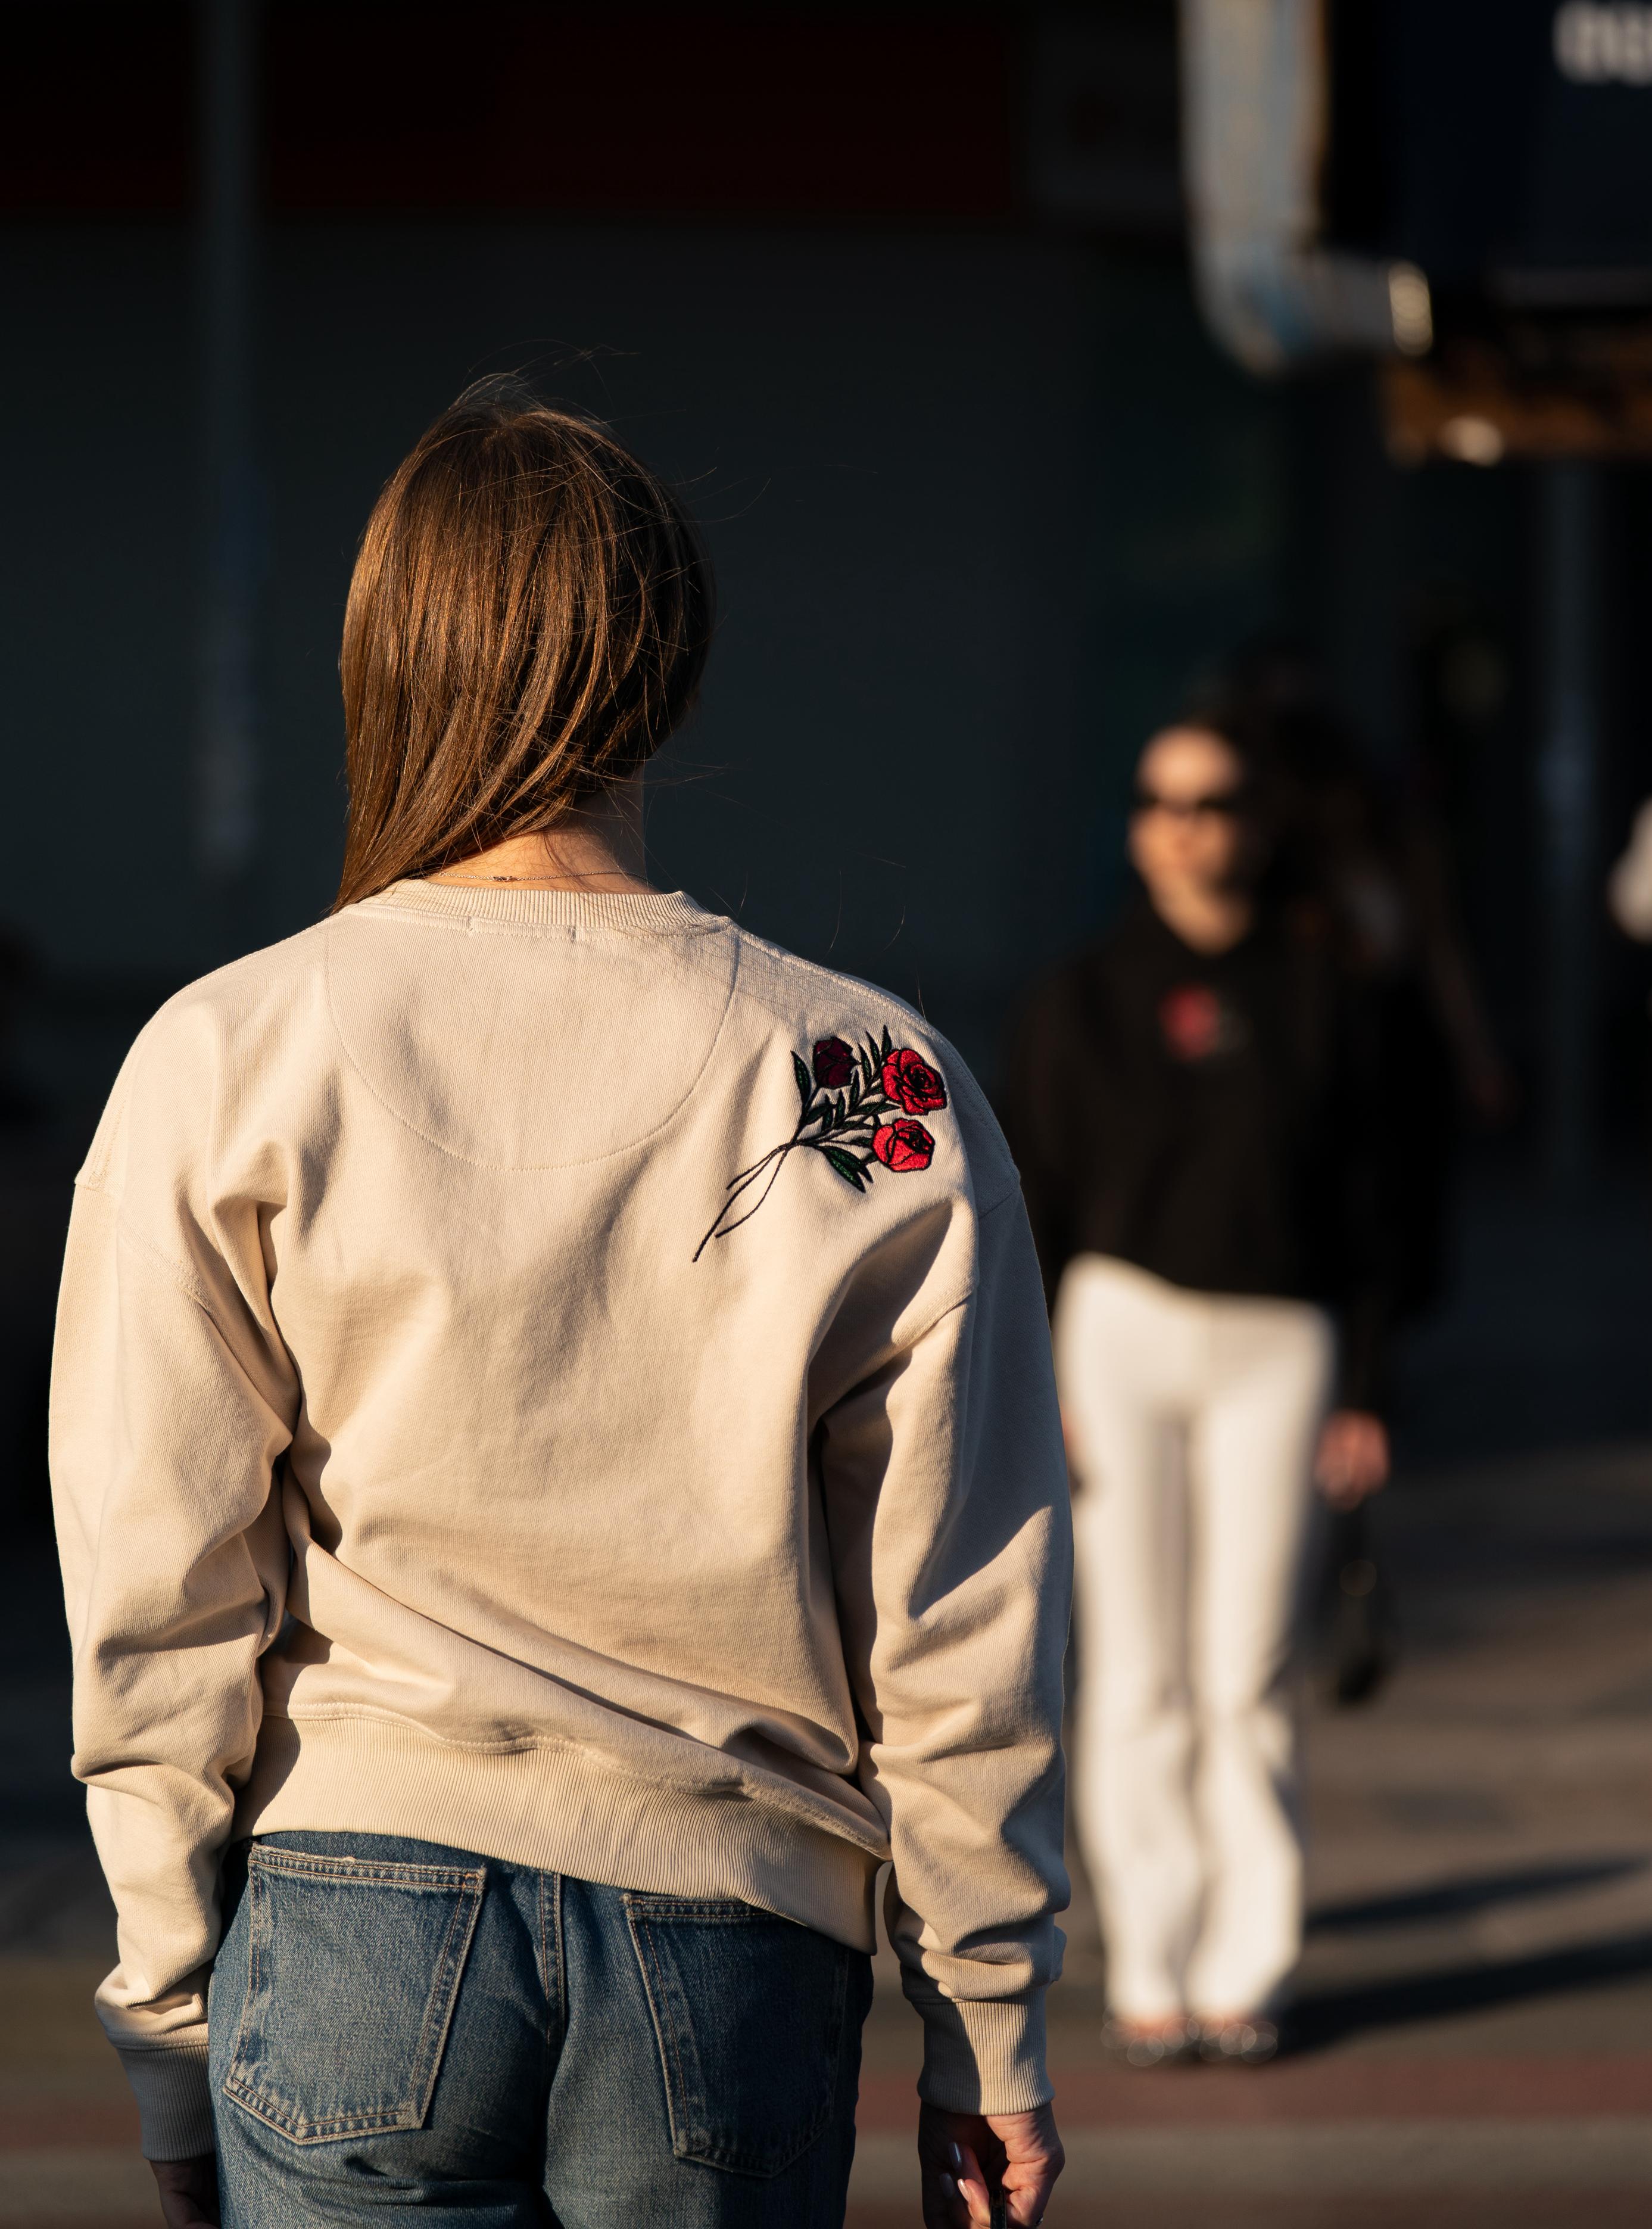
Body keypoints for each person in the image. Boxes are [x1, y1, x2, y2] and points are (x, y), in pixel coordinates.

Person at [50, 382, 1070, 2229]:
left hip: (353, 1915)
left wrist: (167, 2016)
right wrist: (985, 2029)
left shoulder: (227, 1054)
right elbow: (956, 1606)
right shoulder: (863, 1075)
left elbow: (158, 1583)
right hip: (738, 1942)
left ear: (385, 658)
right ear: (665, 659)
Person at [1002, 718, 1391, 2066]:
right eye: (1158, 798)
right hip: (1119, 1330)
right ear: (1133, 823)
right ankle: (1151, 1959)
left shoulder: (1320, 989)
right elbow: (1028, 1199)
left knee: (1248, 1663)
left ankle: (1249, 1958)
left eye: (1214, 799)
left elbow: (1375, 1205)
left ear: (1254, 819)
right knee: (1137, 1664)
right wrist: (1038, 1365)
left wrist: (1373, 1386)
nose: (1187, 824)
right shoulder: (1082, 997)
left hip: (1281, 1341)